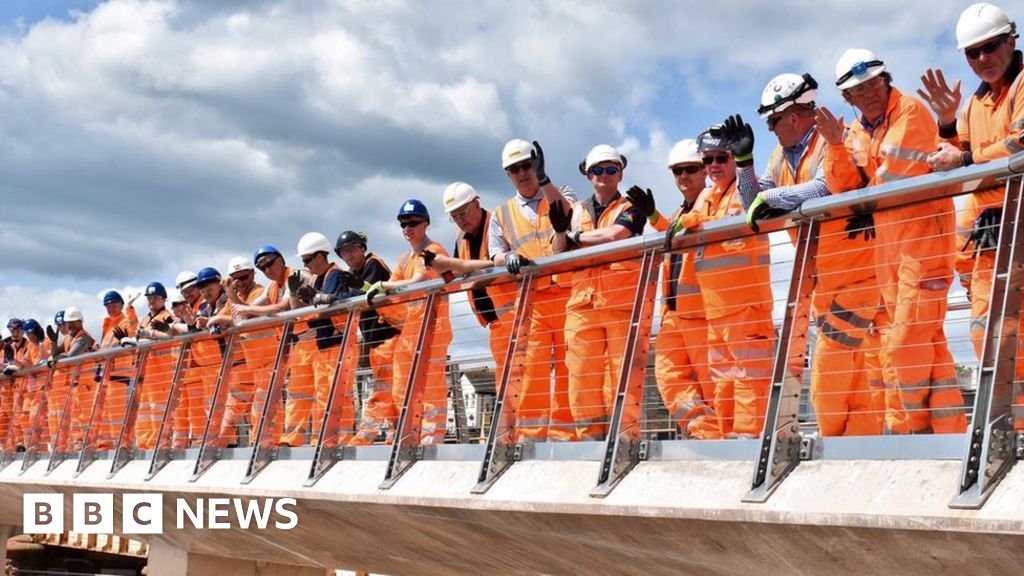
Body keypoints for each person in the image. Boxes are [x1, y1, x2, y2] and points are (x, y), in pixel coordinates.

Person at [816, 48, 966, 434]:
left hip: (925, 242)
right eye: (858, 90)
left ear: (885, 79)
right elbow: (843, 186)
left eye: (873, 84)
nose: (868, 94)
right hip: (889, 250)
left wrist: (861, 193)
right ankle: (949, 434)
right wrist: (834, 146)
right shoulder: (853, 133)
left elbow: (892, 178)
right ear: (847, 99)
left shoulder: (910, 111)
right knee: (928, 342)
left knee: (905, 343)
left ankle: (913, 431)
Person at [737, 72, 882, 436]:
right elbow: (750, 201)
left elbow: (823, 187)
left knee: (828, 377)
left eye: (772, 120)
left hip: (854, 270)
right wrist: (743, 164)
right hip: (823, 276)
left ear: (795, 115)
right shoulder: (779, 157)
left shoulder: (834, 138)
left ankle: (834, 448)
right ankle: (857, 452)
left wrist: (770, 199)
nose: (770, 128)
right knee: (855, 375)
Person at [918, 3, 1023, 427]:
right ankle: (1014, 433)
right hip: (991, 240)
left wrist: (964, 159)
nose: (983, 59)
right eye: (972, 53)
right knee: (989, 337)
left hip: (1015, 232)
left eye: (991, 46)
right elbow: (960, 152)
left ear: (1012, 39)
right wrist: (945, 125)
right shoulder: (976, 104)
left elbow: (1018, 146)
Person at [550, 144, 648, 441]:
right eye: (597, 170)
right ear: (588, 175)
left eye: (610, 169)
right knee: (581, 379)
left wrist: (574, 237)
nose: (603, 175)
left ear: (620, 174)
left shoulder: (632, 207)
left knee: (624, 377)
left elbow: (615, 235)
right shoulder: (576, 211)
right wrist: (558, 233)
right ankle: (591, 439)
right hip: (582, 304)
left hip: (621, 304)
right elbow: (557, 253)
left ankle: (625, 439)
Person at [489, 139, 577, 442]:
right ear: (507, 174)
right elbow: (494, 253)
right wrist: (507, 257)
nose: (523, 173)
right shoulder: (500, 214)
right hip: (533, 302)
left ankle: (568, 437)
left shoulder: (559, 192)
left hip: (566, 295)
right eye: (515, 169)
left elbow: (566, 216)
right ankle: (531, 437)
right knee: (533, 371)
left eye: (527, 165)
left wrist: (545, 180)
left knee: (570, 367)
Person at [366, 199, 453, 444]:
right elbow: (391, 288)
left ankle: (430, 439)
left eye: (413, 222)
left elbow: (416, 281)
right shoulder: (405, 258)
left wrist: (383, 285)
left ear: (426, 223)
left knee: (431, 388)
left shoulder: (434, 251)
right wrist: (370, 289)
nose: (407, 228)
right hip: (410, 331)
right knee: (402, 387)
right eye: (403, 223)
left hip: (433, 330)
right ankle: (407, 437)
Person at [426, 182, 517, 410]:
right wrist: (443, 270)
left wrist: (459, 266)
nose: (460, 220)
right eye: (454, 216)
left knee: (520, 378)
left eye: (463, 213)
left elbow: (499, 265)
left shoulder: (498, 223)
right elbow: (458, 274)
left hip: (515, 314)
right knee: (506, 382)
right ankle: (510, 432)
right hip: (495, 322)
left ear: (476, 203)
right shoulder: (460, 238)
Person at [652, 140, 720, 439]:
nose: (683, 176)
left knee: (712, 382)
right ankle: (702, 432)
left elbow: (703, 226)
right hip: (674, 312)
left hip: (703, 313)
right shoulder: (680, 211)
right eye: (677, 171)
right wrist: (655, 219)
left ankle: (718, 439)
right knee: (668, 377)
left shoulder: (713, 201)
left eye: (690, 169)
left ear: (704, 170)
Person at [333, 231, 401, 445]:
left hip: (389, 334)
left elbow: (365, 297)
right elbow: (343, 298)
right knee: (390, 391)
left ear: (362, 248)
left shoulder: (374, 264)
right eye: (345, 251)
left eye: (353, 249)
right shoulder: (349, 274)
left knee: (382, 390)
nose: (350, 255)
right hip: (375, 340)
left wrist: (352, 290)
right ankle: (394, 436)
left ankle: (365, 436)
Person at [287, 232, 353, 446]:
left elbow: (331, 306)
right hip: (325, 343)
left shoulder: (336, 274)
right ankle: (321, 439)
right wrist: (295, 294)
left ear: (320, 255)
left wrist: (312, 297)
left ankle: (334, 440)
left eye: (307, 260)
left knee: (334, 395)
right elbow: (301, 313)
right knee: (323, 394)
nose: (306, 265)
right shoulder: (317, 278)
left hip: (337, 342)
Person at [218, 256, 266, 447]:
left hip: (264, 360)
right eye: (234, 279)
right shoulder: (233, 297)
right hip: (245, 365)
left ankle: (260, 446)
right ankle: (224, 445)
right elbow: (220, 318)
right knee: (234, 411)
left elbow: (244, 314)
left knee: (261, 409)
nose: (239, 282)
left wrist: (230, 292)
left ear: (253, 274)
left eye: (243, 277)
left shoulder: (259, 292)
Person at [132, 282, 177, 449]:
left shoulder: (167, 316)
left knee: (158, 414)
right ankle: (143, 447)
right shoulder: (145, 319)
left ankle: (157, 447)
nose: (152, 301)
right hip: (145, 376)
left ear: (163, 299)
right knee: (144, 415)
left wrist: (149, 336)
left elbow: (170, 336)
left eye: (155, 298)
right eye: (149, 298)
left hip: (161, 376)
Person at [95, 290, 139, 449]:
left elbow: (134, 329)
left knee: (117, 414)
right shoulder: (109, 324)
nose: (111, 308)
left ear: (121, 304)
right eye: (108, 306)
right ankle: (105, 447)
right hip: (105, 376)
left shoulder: (125, 320)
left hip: (119, 375)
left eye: (114, 305)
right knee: (105, 414)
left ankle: (122, 446)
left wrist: (130, 308)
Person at [48, 306, 95, 449]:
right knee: (76, 415)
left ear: (81, 322)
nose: (71, 325)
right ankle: (78, 444)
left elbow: (71, 356)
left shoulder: (84, 337)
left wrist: (57, 357)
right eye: (69, 322)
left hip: (86, 382)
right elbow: (57, 352)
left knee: (85, 415)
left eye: (75, 322)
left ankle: (88, 444)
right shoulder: (69, 337)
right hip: (76, 382)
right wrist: (54, 342)